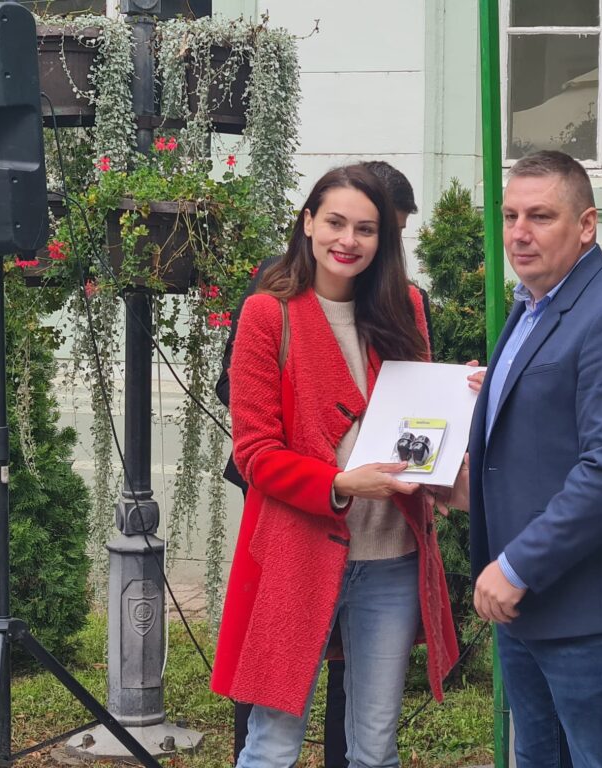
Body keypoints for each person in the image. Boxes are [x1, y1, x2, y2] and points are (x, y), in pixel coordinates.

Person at [444, 150, 602, 767]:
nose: (519, 233)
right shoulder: (533, 304)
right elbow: (544, 440)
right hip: (529, 605)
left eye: (540, 216)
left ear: (586, 225)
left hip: (592, 611)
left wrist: (515, 566)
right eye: (510, 216)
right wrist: (463, 487)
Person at [211, 164, 458, 768]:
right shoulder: (269, 313)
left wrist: (459, 399)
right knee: (273, 745)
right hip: (297, 553)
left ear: (384, 238)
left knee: (375, 749)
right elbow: (255, 452)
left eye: (366, 229)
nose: (349, 240)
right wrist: (341, 483)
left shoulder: (405, 308)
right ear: (308, 223)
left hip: (393, 558)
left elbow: (420, 427)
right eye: (335, 223)